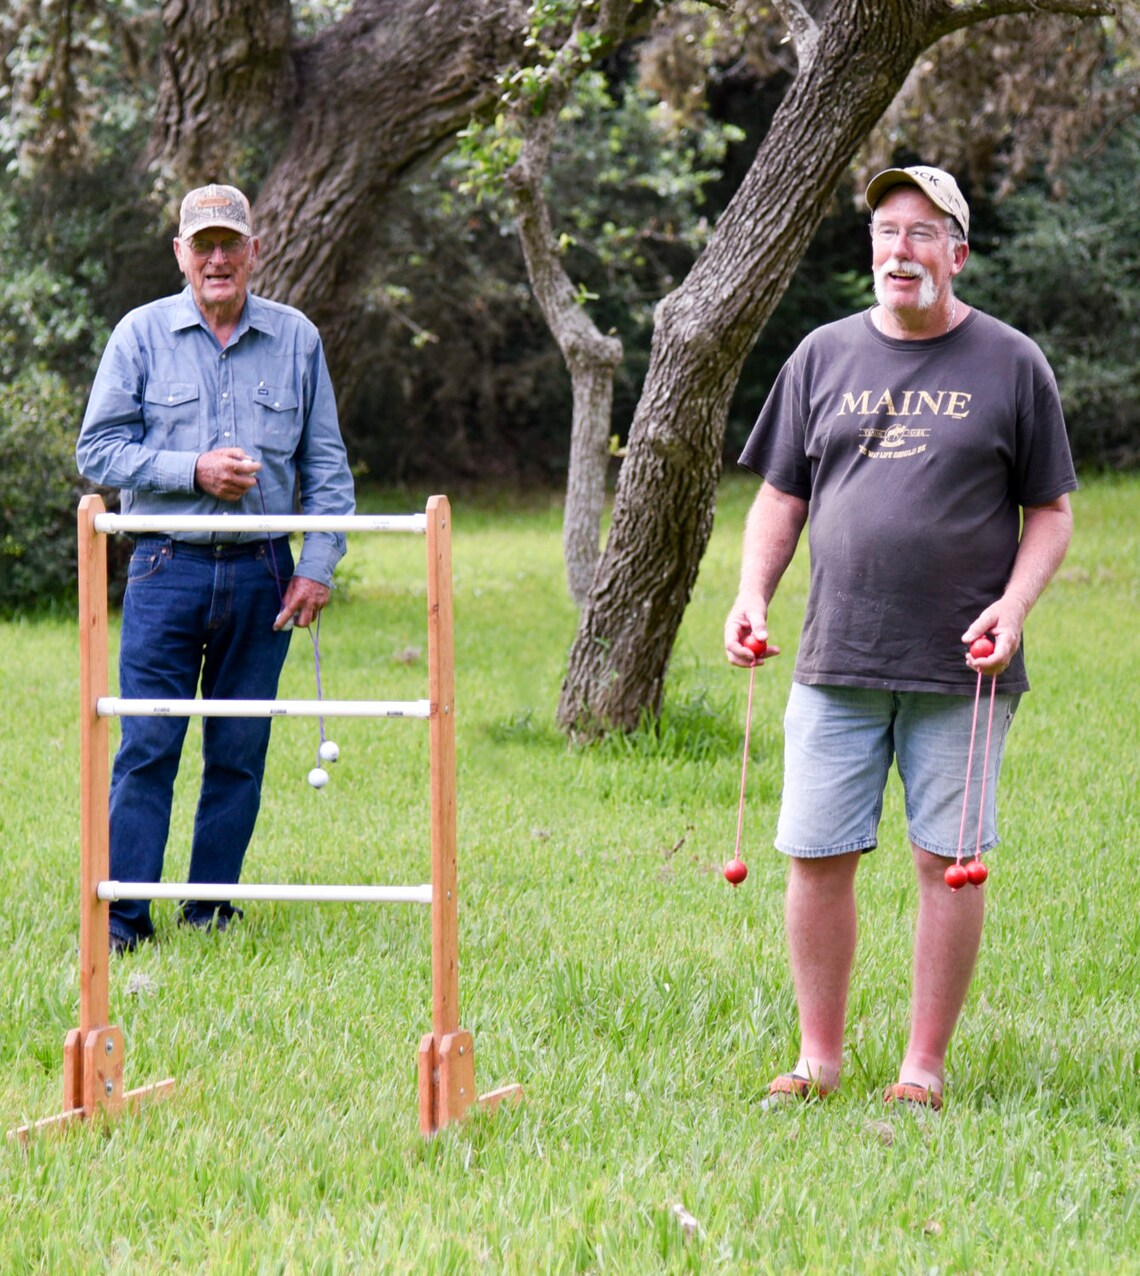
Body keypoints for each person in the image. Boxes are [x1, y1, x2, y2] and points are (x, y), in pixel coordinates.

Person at [724, 165, 1076, 1110]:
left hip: (963, 665)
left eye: (924, 233)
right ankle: (819, 1059)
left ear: (957, 253)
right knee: (816, 852)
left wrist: (1016, 605)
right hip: (837, 655)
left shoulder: (1011, 363)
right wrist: (752, 593)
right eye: (886, 231)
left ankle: (922, 1067)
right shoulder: (821, 356)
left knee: (944, 862)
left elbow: (1050, 511)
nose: (901, 250)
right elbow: (780, 496)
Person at [76, 183, 356, 952]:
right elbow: (95, 451)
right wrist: (191, 470)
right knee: (147, 747)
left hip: (267, 573)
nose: (218, 257)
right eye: (203, 244)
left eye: (231, 242)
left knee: (238, 751)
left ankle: (209, 913)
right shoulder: (139, 334)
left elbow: (327, 469)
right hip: (166, 568)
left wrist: (317, 565)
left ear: (255, 251)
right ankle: (125, 920)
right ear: (180, 255)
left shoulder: (297, 339)